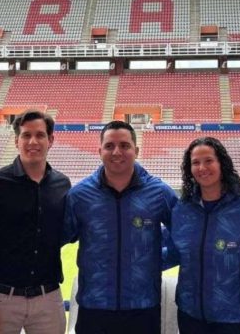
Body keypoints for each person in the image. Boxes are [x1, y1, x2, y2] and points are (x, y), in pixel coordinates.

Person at [63, 120, 178, 334]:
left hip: (142, 308)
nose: (117, 152)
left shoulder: (159, 193)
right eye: (109, 146)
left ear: (136, 150)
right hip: (94, 307)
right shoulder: (80, 196)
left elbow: (184, 236)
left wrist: (154, 263)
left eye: (124, 145)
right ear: (99, 151)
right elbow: (57, 238)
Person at [0, 110, 71, 334]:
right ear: (16, 141)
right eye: (26, 135)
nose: (33, 141)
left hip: (48, 298)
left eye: (40, 135)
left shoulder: (62, 184)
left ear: (51, 140)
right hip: (2, 299)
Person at [167, 136, 240, 334]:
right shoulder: (183, 210)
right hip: (190, 317)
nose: (202, 167)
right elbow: (176, 253)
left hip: (235, 319)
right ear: (189, 169)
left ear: (222, 163)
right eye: (195, 162)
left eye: (209, 160)